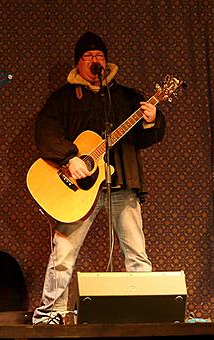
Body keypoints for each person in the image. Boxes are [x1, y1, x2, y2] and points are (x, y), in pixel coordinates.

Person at [31, 31, 166, 325]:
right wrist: (70, 158)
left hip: (121, 184)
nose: (95, 61)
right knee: (63, 253)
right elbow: (46, 131)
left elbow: (146, 139)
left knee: (136, 252)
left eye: (100, 57)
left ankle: (146, 313)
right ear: (78, 63)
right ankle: (49, 314)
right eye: (89, 57)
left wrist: (153, 119)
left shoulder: (127, 97)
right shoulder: (63, 99)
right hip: (79, 190)